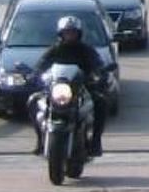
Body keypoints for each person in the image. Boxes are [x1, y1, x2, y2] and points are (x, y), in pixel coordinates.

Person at [37, 15, 108, 157]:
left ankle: (95, 141)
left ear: (79, 33)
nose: (70, 35)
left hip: (81, 87)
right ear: (61, 34)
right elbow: (42, 63)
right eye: (67, 32)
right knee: (33, 101)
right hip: (58, 87)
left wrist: (99, 74)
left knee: (101, 102)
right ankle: (39, 140)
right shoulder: (55, 49)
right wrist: (36, 74)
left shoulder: (86, 50)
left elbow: (97, 63)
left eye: (73, 32)